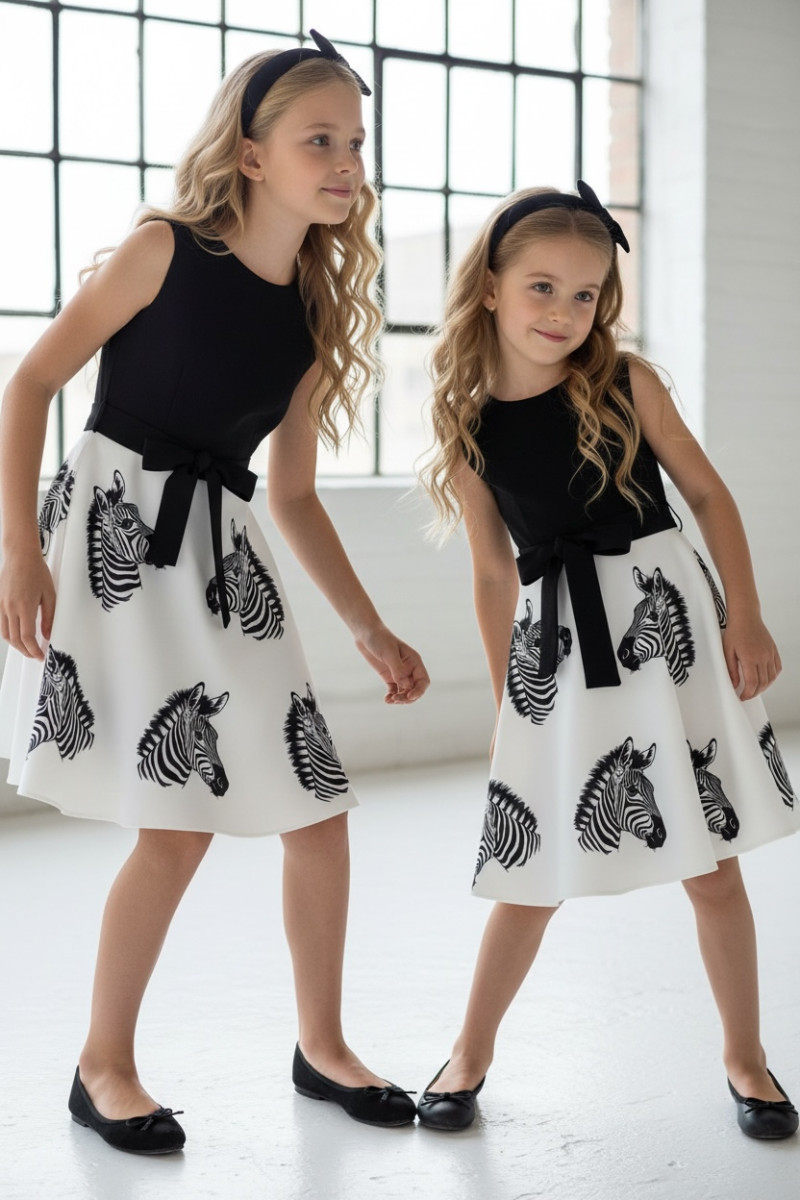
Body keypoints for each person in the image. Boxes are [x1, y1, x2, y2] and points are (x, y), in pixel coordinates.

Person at [0, 32, 428, 1154]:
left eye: (356, 142)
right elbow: (31, 383)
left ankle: (323, 1048)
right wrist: (18, 551)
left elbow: (292, 494)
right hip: (115, 531)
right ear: (249, 153)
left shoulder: (311, 315)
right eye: (319, 140)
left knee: (317, 812)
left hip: (222, 551)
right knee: (178, 825)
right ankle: (103, 1066)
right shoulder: (163, 251)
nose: (347, 163)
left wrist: (369, 626)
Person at [417, 182, 799, 1139]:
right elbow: (493, 573)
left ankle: (746, 1060)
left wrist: (746, 616)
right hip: (558, 644)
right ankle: (468, 1053)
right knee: (531, 873)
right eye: (542, 287)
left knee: (712, 867)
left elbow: (707, 497)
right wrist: (509, 701)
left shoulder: (627, 382)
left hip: (670, 627)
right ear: (491, 287)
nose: (563, 311)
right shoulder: (467, 423)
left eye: (584, 294)